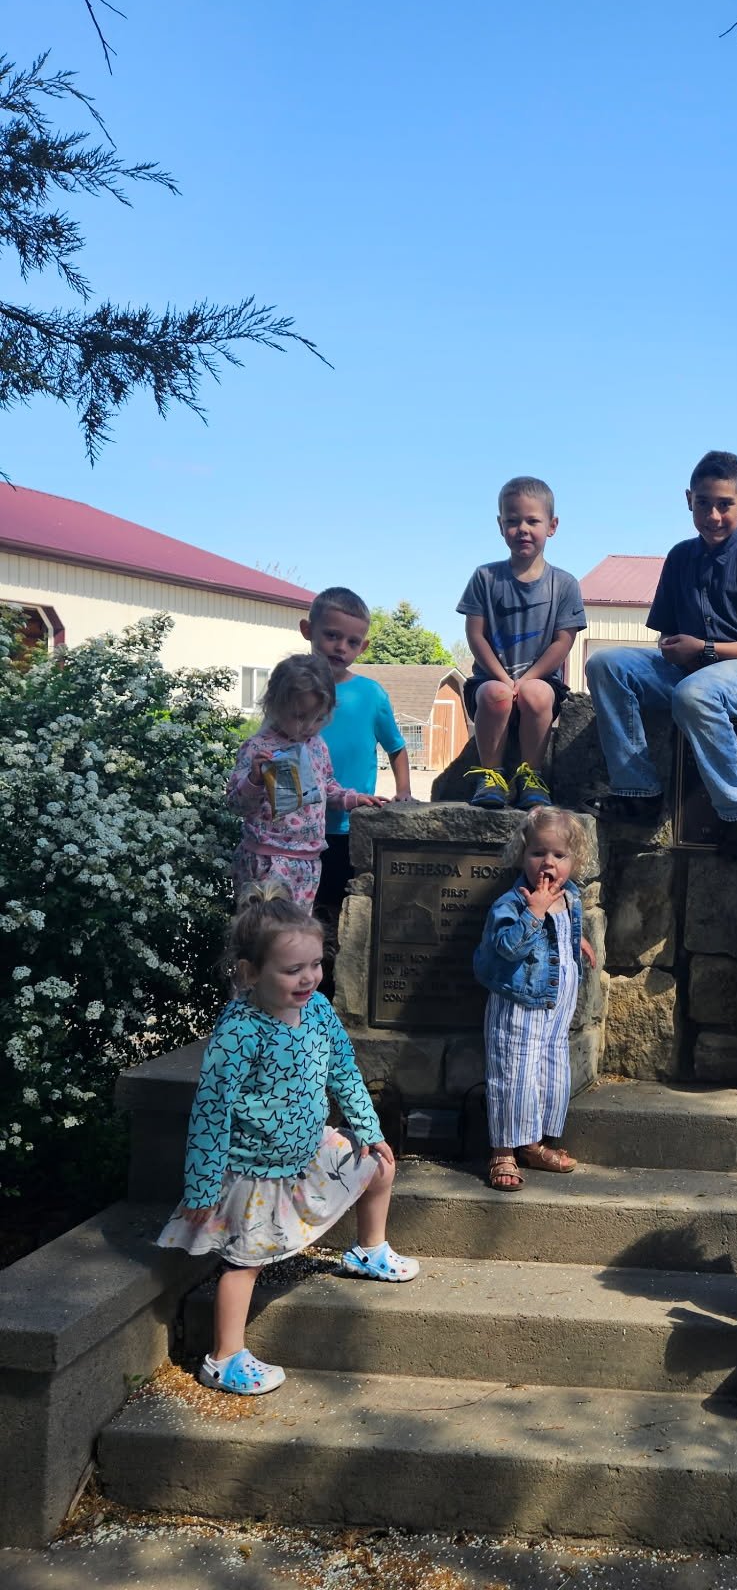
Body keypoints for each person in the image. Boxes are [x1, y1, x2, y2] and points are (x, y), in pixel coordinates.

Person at [156, 885, 419, 1395]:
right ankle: (224, 1356)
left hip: (307, 1149)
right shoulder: (239, 1032)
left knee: (379, 1167)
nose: (309, 978)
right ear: (250, 973)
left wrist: (368, 1128)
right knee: (244, 1261)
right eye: (292, 970)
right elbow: (212, 1110)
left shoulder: (318, 1011)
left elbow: (343, 1070)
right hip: (255, 1169)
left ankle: (368, 1249)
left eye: (316, 965)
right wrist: (203, 1186)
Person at [585, 451, 737, 845]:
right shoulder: (680, 557)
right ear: (688, 500)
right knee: (605, 663)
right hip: (692, 669)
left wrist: (706, 649)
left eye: (725, 504)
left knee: (693, 693)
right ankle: (639, 792)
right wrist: (674, 648)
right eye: (703, 503)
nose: (713, 515)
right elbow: (666, 637)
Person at [473, 806, 598, 1189]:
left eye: (559, 855)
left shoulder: (570, 896)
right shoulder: (513, 903)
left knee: (547, 1073)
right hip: (519, 1006)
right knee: (514, 1075)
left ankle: (531, 1143)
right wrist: (534, 913)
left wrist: (574, 938)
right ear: (521, 855)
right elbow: (507, 948)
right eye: (538, 853)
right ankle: (502, 1151)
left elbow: (557, 932)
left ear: (574, 861)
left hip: (555, 1008)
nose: (548, 862)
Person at [302, 587, 412, 984]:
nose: (340, 647)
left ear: (362, 646)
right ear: (307, 630)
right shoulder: (293, 688)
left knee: (336, 920)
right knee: (299, 920)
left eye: (351, 641)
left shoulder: (370, 694)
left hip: (349, 830)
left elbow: (397, 747)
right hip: (297, 831)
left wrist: (403, 792)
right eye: (331, 635)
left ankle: (331, 999)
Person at [458, 476, 588, 810]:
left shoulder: (564, 583)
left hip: (541, 682)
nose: (523, 529)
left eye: (533, 520)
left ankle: (531, 775)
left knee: (535, 694)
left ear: (552, 525)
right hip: (490, 679)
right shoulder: (485, 578)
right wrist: (503, 679)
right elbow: (475, 634)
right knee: (496, 695)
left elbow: (564, 641)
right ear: (501, 526)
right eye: (513, 521)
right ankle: (491, 774)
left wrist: (527, 679)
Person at [227, 654, 382, 908]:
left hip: (308, 862)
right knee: (265, 937)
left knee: (295, 934)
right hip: (267, 859)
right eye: (300, 716)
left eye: (319, 718)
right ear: (274, 704)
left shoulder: (317, 745)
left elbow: (326, 786)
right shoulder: (258, 748)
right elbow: (236, 805)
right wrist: (254, 779)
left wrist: (350, 798)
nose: (309, 727)